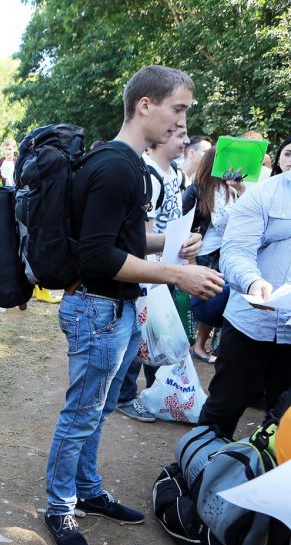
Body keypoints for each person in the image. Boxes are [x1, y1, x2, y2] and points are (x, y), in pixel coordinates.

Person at [42, 65, 223, 545]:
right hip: (97, 307)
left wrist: (168, 243)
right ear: (146, 105)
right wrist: (178, 275)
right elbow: (97, 256)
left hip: (114, 307)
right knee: (81, 414)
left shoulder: (121, 162)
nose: (182, 122)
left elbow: (117, 238)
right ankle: (59, 507)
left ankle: (88, 490)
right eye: (178, 109)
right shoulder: (119, 166)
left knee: (98, 410)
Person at [197, 168, 291, 438]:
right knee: (223, 407)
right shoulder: (264, 193)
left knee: (284, 424)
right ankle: (195, 472)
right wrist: (252, 282)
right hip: (251, 321)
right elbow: (236, 250)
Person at [114, 126, 194, 421]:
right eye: (179, 134)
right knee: (140, 334)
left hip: (167, 266)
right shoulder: (149, 176)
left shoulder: (176, 173)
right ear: (161, 137)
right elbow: (142, 237)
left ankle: (155, 390)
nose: (186, 141)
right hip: (148, 269)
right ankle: (124, 394)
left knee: (157, 334)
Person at [187, 145, 243, 363]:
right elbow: (185, 225)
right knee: (205, 304)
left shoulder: (231, 190)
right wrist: (190, 261)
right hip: (202, 256)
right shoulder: (197, 190)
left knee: (219, 302)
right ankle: (196, 346)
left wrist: (240, 187)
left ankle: (208, 346)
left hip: (225, 256)